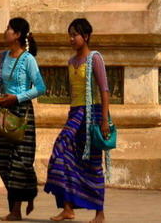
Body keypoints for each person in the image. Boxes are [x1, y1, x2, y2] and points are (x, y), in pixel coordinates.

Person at [0, 17, 46, 221]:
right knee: (2, 159)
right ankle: (28, 192)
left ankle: (15, 209)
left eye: (9, 29)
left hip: (22, 114)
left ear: (17, 35)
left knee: (20, 162)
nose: (5, 31)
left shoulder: (28, 59)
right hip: (5, 115)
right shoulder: (4, 57)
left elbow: (40, 88)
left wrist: (17, 97)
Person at [44, 18, 110, 223]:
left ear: (86, 36)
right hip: (75, 114)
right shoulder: (71, 62)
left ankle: (99, 212)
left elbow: (104, 90)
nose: (71, 38)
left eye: (75, 34)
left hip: (92, 114)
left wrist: (105, 121)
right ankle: (67, 207)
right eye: (70, 35)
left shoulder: (95, 59)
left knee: (92, 163)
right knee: (62, 153)